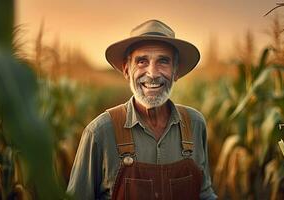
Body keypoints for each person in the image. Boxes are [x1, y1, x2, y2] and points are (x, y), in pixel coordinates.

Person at [67, 19, 217, 200]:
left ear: (175, 71)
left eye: (163, 61)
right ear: (126, 70)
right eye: (142, 61)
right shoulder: (100, 132)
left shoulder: (195, 124)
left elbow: (205, 194)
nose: (152, 73)